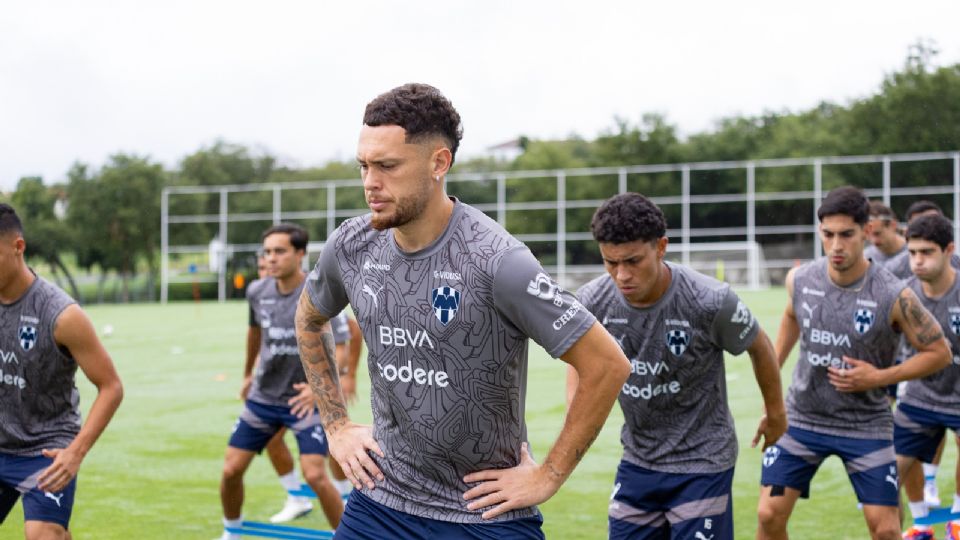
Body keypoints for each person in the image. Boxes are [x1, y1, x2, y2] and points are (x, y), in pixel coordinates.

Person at [295, 82, 630, 539]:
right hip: (380, 502)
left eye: (388, 166)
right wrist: (336, 426)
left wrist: (548, 475)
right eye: (364, 166)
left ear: (439, 163)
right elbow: (310, 318)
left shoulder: (497, 261)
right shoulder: (352, 246)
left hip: (482, 515)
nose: (371, 183)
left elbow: (606, 364)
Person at [566, 193, 786, 539]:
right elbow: (578, 357)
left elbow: (760, 347)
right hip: (639, 460)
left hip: (703, 461)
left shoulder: (709, 300)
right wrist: (575, 415)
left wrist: (776, 414)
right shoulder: (593, 300)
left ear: (661, 247)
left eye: (633, 261)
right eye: (610, 262)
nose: (622, 275)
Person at [755, 186, 951, 540]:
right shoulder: (800, 279)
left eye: (846, 235)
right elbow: (790, 320)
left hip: (866, 426)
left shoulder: (894, 293)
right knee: (769, 515)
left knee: (887, 530)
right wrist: (773, 400)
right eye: (828, 235)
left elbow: (939, 352)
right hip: (803, 419)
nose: (836, 246)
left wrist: (879, 377)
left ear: (866, 231)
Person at [0, 203, 124, 539]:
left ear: (18, 246)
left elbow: (111, 386)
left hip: (45, 449)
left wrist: (75, 452)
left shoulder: (62, 315)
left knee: (43, 534)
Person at [217, 224, 344, 540]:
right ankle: (231, 533)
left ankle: (347, 535)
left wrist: (320, 390)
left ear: (300, 254)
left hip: (304, 400)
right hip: (264, 398)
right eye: (267, 252)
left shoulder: (318, 291)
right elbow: (255, 333)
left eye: (279, 251)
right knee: (231, 470)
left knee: (315, 474)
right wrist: (248, 374)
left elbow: (342, 344)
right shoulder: (257, 291)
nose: (271, 258)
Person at [250, 255, 356, 523]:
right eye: (261, 268)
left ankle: (345, 497)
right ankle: (296, 498)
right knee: (272, 440)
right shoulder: (264, 297)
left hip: (318, 387)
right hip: (281, 390)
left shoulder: (314, 290)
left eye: (268, 267)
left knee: (335, 442)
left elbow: (351, 332)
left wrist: (347, 375)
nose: (266, 273)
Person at [894, 215, 960, 540]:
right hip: (919, 396)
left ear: (949, 250)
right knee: (892, 467)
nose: (917, 261)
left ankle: (958, 519)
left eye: (927, 252)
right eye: (912, 252)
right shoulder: (904, 295)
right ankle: (921, 524)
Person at [864, 201, 907, 266]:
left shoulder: (915, 253)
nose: (874, 241)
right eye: (868, 234)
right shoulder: (866, 257)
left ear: (893, 225)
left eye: (877, 234)